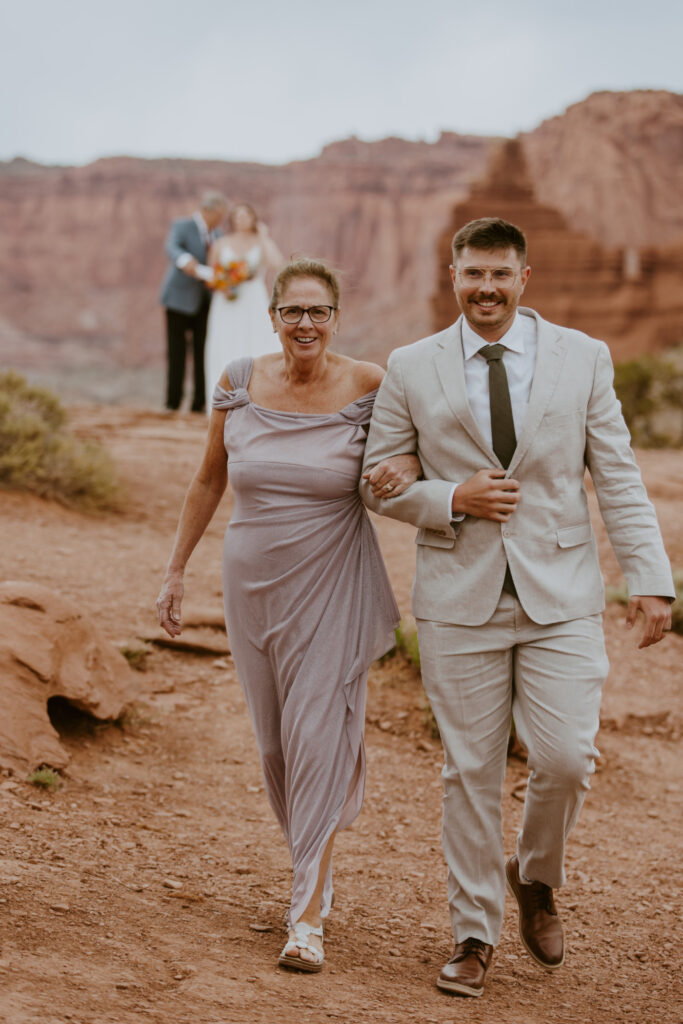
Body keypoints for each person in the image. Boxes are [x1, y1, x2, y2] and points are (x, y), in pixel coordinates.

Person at [360, 217, 674, 998]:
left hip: (562, 592)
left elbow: (618, 473)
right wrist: (449, 496)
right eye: (472, 275)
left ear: (523, 278)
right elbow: (378, 479)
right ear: (453, 276)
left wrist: (650, 576)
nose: (486, 289)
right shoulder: (409, 365)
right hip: (455, 596)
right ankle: (472, 932)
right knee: (469, 770)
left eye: (500, 274)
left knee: (566, 757)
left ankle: (534, 876)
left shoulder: (583, 357)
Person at [156, 257, 420, 973]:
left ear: (337, 316)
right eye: (292, 312)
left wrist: (412, 474)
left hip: (332, 577)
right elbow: (210, 476)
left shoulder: (370, 382)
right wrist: (176, 570)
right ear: (272, 317)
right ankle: (317, 864)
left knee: (315, 736)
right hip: (252, 580)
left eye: (319, 312)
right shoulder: (238, 381)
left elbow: (414, 454)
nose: (306, 324)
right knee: (275, 746)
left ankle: (305, 918)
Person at [204, 202, 283, 409]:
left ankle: (261, 399)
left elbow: (276, 263)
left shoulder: (260, 241)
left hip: (254, 299)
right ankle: (223, 400)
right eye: (237, 216)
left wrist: (264, 236)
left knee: (258, 342)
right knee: (225, 343)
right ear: (232, 220)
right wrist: (222, 286)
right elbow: (212, 272)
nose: (241, 220)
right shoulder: (222, 243)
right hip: (227, 302)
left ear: (253, 219)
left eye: (246, 216)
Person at [159, 191, 227, 413]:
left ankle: (198, 404)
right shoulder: (182, 226)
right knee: (176, 352)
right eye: (219, 215)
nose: (221, 220)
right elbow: (173, 247)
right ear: (208, 210)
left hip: (205, 302)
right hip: (178, 300)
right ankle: (172, 403)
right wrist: (186, 261)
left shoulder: (218, 235)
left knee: (202, 352)